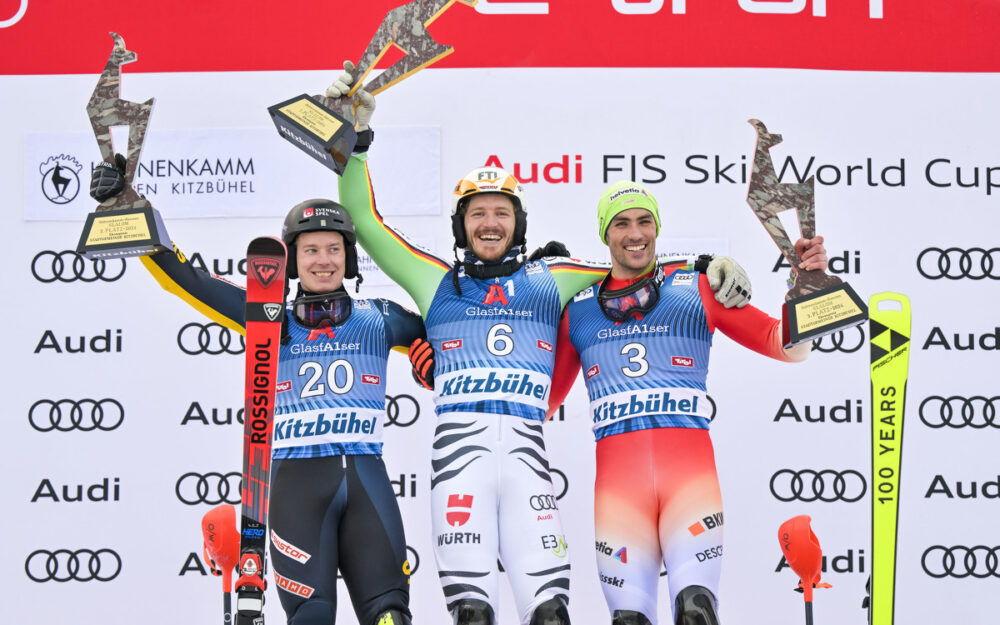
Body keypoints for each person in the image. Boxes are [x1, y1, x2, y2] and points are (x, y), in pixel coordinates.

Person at [325, 65, 755, 625]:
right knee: (474, 616)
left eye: (501, 213)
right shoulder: (433, 281)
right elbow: (363, 220)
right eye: (477, 213)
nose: (489, 223)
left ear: (518, 223)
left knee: (551, 615)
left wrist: (704, 264)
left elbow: (630, 262)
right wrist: (353, 143)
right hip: (460, 468)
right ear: (461, 226)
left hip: (528, 466)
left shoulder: (550, 278)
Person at [89, 163, 426, 625]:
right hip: (296, 487)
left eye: (333, 249)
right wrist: (131, 207)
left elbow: (454, 338)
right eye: (310, 250)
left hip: (367, 479)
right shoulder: (267, 317)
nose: (323, 260)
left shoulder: (382, 317)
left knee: (391, 616)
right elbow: (187, 281)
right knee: (311, 617)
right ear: (291, 258)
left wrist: (431, 362)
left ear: (349, 257)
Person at [548, 180, 828, 625]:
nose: (635, 233)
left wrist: (808, 286)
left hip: (689, 489)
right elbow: (540, 404)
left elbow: (786, 346)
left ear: (657, 228)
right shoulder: (577, 310)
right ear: (605, 233)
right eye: (621, 223)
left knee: (697, 612)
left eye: (645, 221)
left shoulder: (697, 286)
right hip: (621, 499)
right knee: (629, 621)